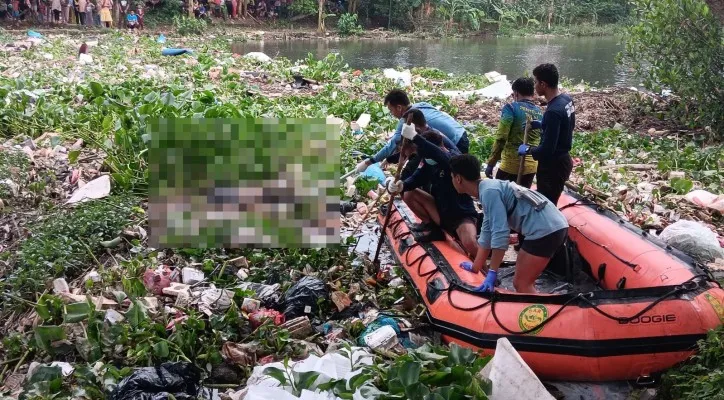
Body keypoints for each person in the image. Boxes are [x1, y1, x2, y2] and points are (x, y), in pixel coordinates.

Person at [449, 154, 569, 293]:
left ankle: (541, 313)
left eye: (452, 177)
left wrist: (493, 272)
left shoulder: (489, 191)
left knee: (522, 284)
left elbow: (500, 234)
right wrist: (476, 266)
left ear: (458, 178)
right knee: (521, 282)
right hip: (553, 226)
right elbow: (487, 231)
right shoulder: (487, 188)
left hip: (545, 231)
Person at [385, 109, 479, 258]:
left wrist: (415, 137)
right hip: (441, 210)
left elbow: (439, 155)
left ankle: (486, 271)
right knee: (409, 193)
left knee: (470, 243)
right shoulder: (428, 162)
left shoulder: (452, 160)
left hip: (461, 213)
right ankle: (434, 228)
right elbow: (415, 178)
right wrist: (400, 185)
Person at [356, 89, 471, 181]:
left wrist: (368, 162)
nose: (392, 114)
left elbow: (393, 145)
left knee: (447, 177)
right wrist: (390, 159)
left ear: (399, 107)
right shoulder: (421, 105)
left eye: (391, 111)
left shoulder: (407, 120)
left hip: (451, 144)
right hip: (461, 133)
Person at [518, 64, 576, 206]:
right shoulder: (566, 99)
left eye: (536, 82)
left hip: (553, 168)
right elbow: (566, 126)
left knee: (547, 206)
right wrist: (542, 124)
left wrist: (527, 149)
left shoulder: (553, 111)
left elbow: (546, 150)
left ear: (543, 84)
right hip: (564, 160)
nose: (535, 86)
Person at [485, 77, 542, 189]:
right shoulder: (539, 112)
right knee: (522, 198)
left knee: (502, 198)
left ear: (515, 93)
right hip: (531, 166)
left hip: (511, 166)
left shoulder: (510, 108)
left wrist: (491, 163)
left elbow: (501, 138)